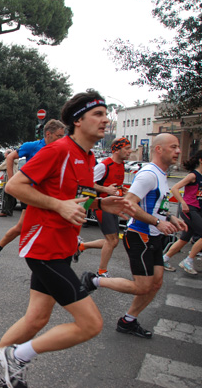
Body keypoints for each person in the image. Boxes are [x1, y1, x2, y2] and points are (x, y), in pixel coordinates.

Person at [0, 91, 136, 388]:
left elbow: (77, 200)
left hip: (62, 246)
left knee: (35, 319)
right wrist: (58, 206)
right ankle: (18, 357)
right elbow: (14, 185)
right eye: (98, 114)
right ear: (78, 120)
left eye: (106, 113)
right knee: (91, 324)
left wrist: (101, 205)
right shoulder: (58, 150)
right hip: (43, 245)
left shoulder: (86, 157)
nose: (105, 119)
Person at [81, 133, 186, 341]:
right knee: (141, 285)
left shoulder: (161, 174)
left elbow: (157, 204)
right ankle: (94, 279)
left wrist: (171, 218)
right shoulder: (148, 174)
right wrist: (157, 222)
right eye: (173, 147)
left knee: (155, 283)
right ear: (159, 149)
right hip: (140, 234)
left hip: (153, 235)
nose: (178, 151)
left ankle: (128, 320)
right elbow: (129, 202)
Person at [0, 119, 66, 272]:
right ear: (48, 134)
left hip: (50, 195)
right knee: (31, 227)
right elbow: (10, 157)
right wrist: (11, 180)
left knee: (23, 227)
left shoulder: (60, 150)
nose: (62, 139)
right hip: (33, 195)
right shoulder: (33, 146)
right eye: (59, 135)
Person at [76, 137, 132, 276]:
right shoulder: (104, 165)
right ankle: (101, 272)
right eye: (127, 148)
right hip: (102, 206)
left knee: (112, 242)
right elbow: (88, 183)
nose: (130, 151)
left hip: (113, 206)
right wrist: (106, 190)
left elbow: (112, 183)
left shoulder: (121, 165)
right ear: (117, 150)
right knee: (112, 241)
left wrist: (120, 190)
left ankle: (81, 246)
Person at [162, 150, 202, 275]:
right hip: (189, 208)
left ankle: (164, 259)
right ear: (201, 160)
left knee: (184, 238)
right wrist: (183, 202)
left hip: (197, 209)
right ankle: (188, 260)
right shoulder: (193, 175)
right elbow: (174, 188)